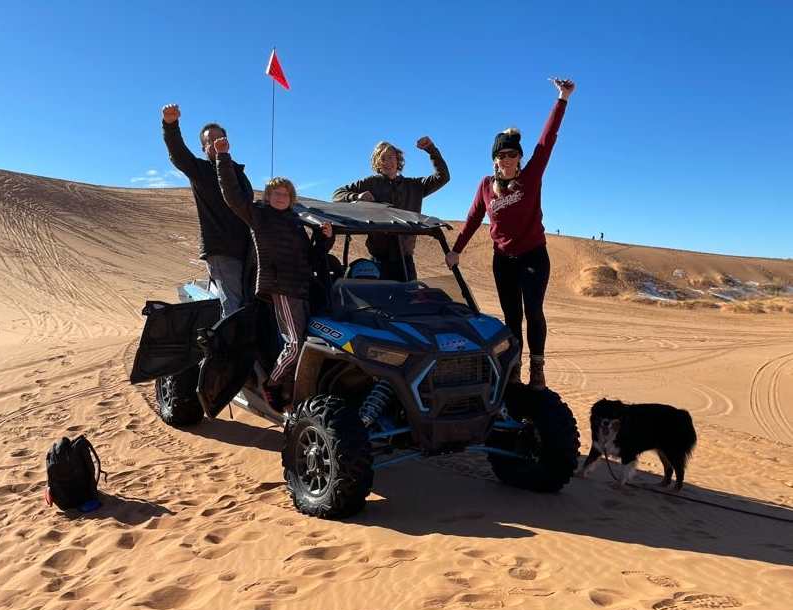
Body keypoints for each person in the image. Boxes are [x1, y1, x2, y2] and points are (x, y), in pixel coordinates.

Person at [446, 78, 576, 390]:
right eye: (500, 156)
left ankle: (538, 369)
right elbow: (473, 217)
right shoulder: (484, 186)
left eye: (511, 155)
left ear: (518, 157)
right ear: (494, 159)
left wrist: (562, 98)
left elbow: (547, 140)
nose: (505, 160)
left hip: (533, 255)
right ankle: (514, 368)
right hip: (503, 259)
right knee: (511, 317)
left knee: (533, 311)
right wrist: (457, 249)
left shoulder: (531, 176)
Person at [214, 136, 333, 412]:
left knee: (302, 344)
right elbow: (231, 195)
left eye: (285, 194)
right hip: (280, 287)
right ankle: (271, 383)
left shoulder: (295, 222)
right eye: (276, 194)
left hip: (302, 286)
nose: (281, 197)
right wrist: (223, 158)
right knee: (295, 344)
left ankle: (291, 392)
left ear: (291, 198)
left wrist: (325, 239)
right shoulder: (259, 215)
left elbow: (313, 257)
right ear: (268, 197)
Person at [161, 104, 254, 317]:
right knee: (234, 305)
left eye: (219, 139)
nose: (215, 144)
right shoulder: (201, 172)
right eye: (209, 142)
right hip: (222, 250)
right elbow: (178, 153)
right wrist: (170, 125)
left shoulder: (238, 173)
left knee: (250, 300)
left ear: (228, 142)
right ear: (204, 149)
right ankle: (229, 349)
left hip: (248, 250)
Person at [332, 137, 450, 281]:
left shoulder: (413, 186)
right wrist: (356, 197)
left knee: (409, 300)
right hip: (378, 261)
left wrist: (431, 150)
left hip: (405, 261)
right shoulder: (370, 183)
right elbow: (337, 194)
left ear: (398, 159)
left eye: (391, 157)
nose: (388, 162)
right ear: (377, 162)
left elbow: (443, 177)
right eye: (383, 158)